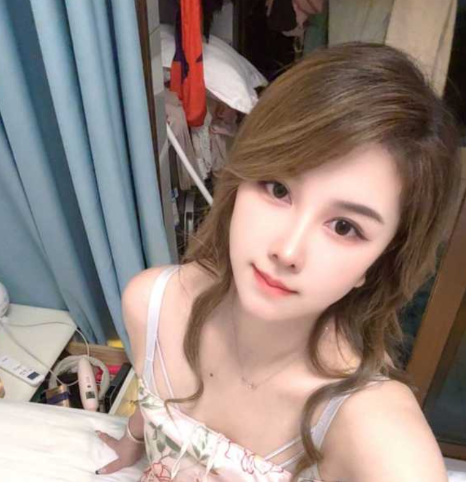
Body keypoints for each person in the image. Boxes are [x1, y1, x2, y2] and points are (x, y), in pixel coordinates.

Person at [95, 42, 461, 481]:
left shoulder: (369, 426)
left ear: (380, 262)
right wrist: (132, 439)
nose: (287, 251)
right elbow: (153, 390)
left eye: (344, 227)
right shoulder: (152, 303)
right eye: (278, 189)